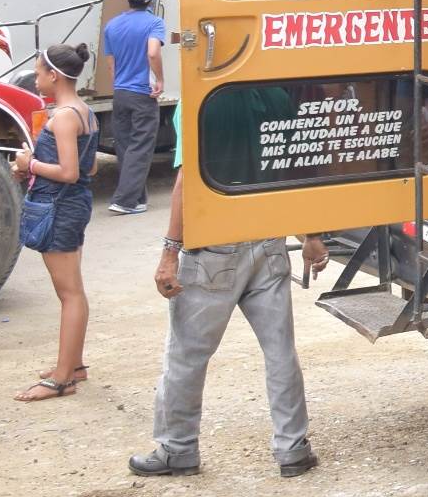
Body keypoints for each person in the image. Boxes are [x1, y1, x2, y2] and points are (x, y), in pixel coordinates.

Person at [130, 134, 326, 478]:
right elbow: (295, 166)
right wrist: (311, 233)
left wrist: (169, 254)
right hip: (269, 240)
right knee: (280, 351)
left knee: (186, 355)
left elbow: (185, 181)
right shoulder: (276, 96)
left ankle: (178, 449)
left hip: (213, 247)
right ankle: (292, 449)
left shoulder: (199, 93)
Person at [10, 43, 98, 401]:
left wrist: (28, 163)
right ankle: (73, 365)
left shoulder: (63, 116)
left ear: (54, 76)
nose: (35, 78)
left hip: (59, 205)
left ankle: (62, 378)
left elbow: (69, 171)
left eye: (38, 71)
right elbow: (90, 167)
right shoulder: (85, 112)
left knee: (69, 293)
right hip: (74, 205)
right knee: (74, 288)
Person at [102, 0, 167, 215]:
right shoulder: (154, 23)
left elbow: (111, 64)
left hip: (120, 92)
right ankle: (125, 201)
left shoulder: (112, 25)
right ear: (150, 1)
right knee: (140, 148)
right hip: (142, 94)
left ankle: (138, 199)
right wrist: (159, 80)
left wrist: (119, 86)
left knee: (126, 146)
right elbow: (153, 52)